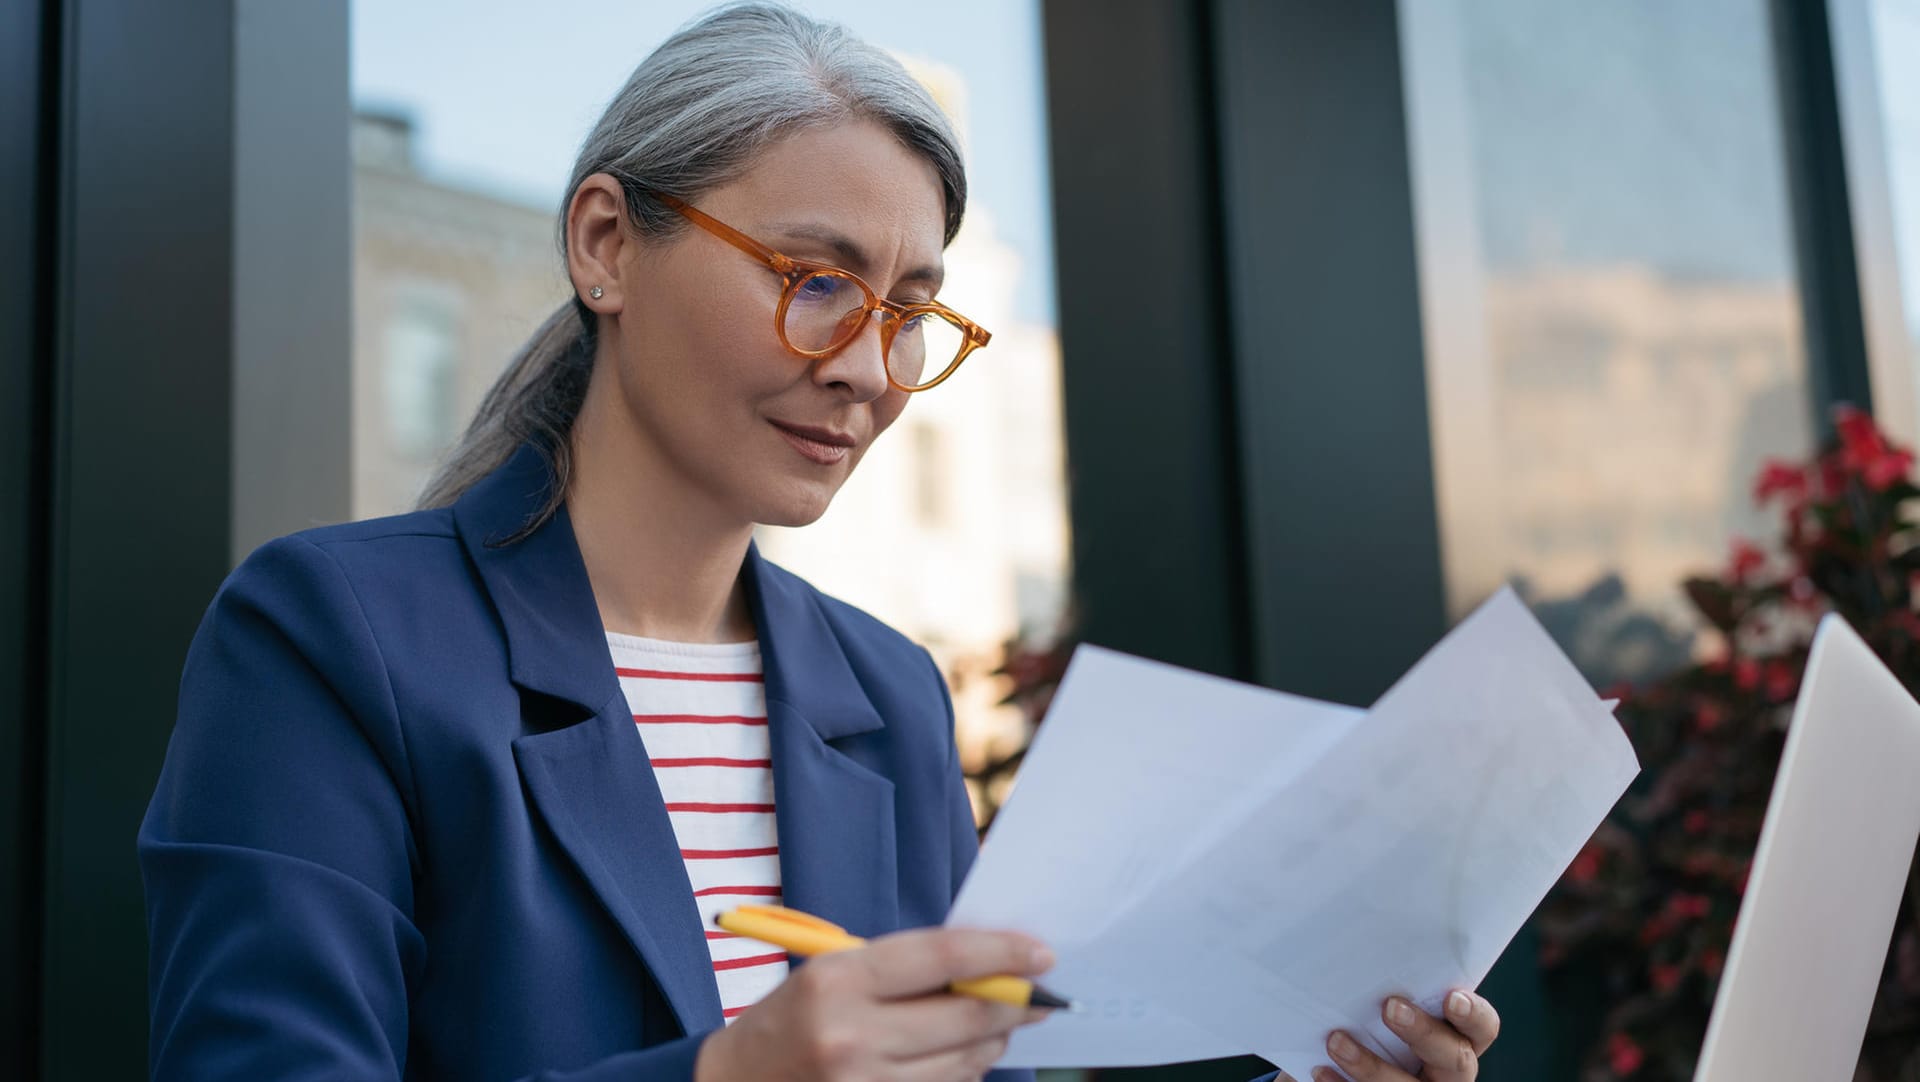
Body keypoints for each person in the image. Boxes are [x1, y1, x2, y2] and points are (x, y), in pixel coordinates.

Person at [138, 5, 1500, 1080]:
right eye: (818, 282)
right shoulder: (332, 636)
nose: (871, 368)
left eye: (909, 308)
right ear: (606, 243)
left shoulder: (888, 694)